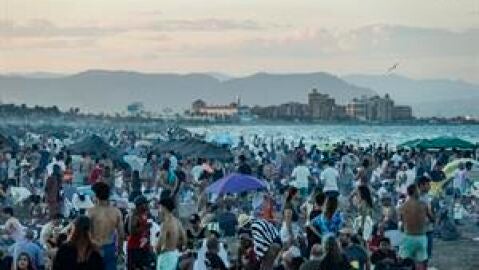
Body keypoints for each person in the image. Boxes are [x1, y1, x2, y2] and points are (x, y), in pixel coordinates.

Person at [88, 182, 125, 270]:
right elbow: (121, 235)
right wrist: (120, 252)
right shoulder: (116, 212)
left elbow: (87, 234)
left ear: (96, 195)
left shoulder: (91, 212)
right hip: (110, 248)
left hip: (95, 248)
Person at [399, 184, 428, 270]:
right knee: (421, 261)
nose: (419, 192)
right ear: (415, 192)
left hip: (408, 236)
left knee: (405, 261)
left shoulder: (403, 206)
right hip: (421, 236)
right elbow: (432, 218)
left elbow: (401, 222)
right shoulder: (423, 204)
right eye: (418, 190)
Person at [156, 196, 187, 270]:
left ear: (164, 208)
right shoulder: (177, 222)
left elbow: (160, 243)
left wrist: (157, 252)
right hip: (174, 255)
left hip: (166, 257)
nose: (159, 210)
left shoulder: (165, 224)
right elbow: (184, 239)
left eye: (160, 207)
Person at [127, 195, 153, 270]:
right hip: (134, 247)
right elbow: (131, 231)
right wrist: (145, 227)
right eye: (146, 203)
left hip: (144, 247)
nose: (148, 205)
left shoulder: (145, 213)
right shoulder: (134, 215)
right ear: (140, 205)